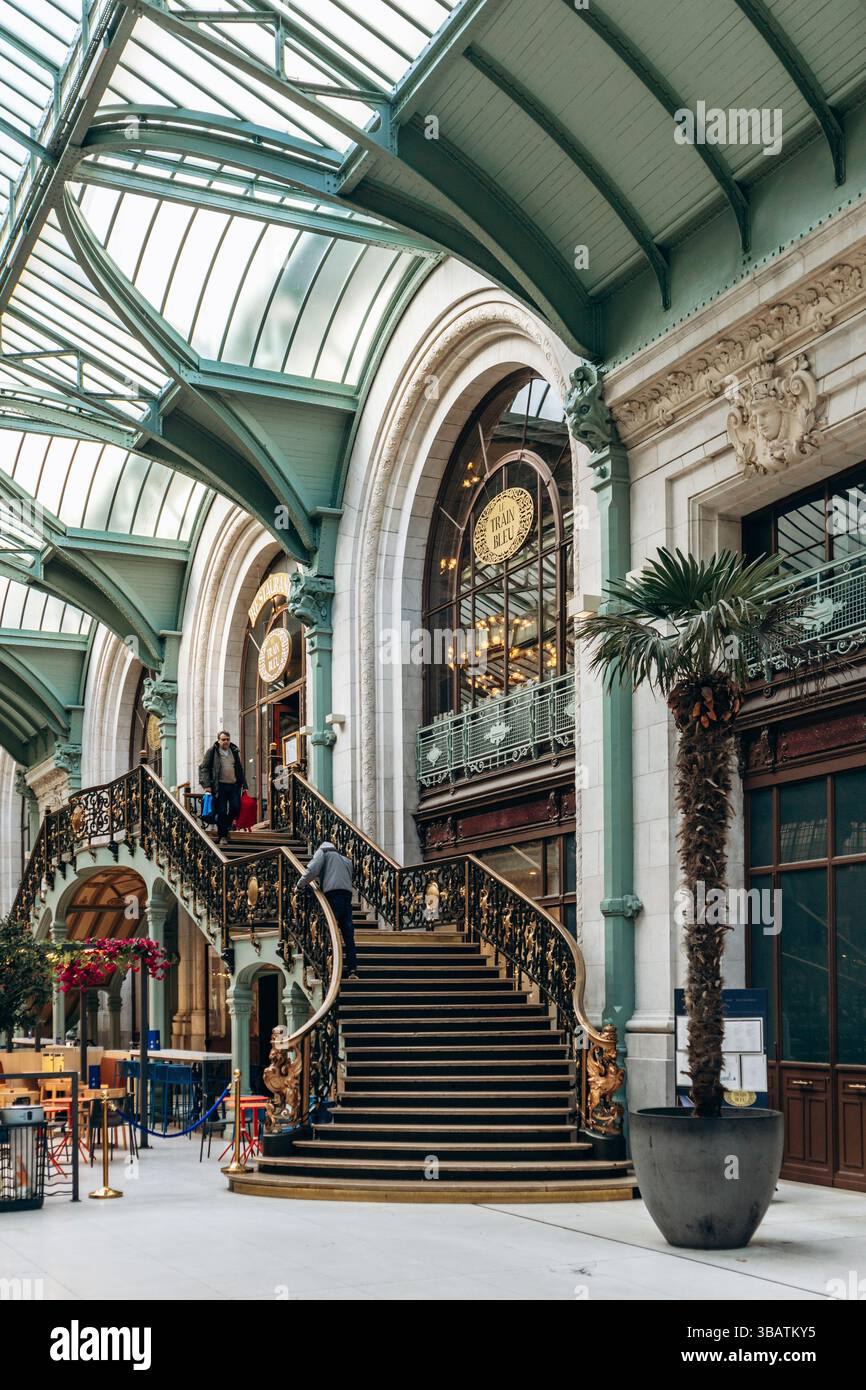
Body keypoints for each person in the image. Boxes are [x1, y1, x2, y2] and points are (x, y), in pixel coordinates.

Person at [296, 840, 358, 978]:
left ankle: (330, 967)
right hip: (346, 896)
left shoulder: (323, 852)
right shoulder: (346, 860)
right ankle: (352, 969)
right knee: (348, 935)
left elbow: (311, 870)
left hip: (332, 896)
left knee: (328, 931)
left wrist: (299, 885)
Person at [198, 730, 247, 847]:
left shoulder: (234, 751)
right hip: (219, 786)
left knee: (236, 807)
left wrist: (244, 785)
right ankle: (223, 836)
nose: (226, 742)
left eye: (227, 739)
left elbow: (239, 769)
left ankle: (226, 825)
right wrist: (207, 786)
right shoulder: (212, 751)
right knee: (222, 811)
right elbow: (203, 768)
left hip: (234, 785)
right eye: (223, 739)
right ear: (219, 740)